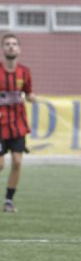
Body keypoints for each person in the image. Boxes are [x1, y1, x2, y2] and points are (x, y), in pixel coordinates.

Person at [0, 34, 36, 213]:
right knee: (0, 164)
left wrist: (31, 98)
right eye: (7, 44)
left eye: (14, 44)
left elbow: (28, 93)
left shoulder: (25, 72)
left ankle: (8, 200)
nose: (11, 47)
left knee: (17, 161)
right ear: (2, 49)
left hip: (18, 124)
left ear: (19, 49)